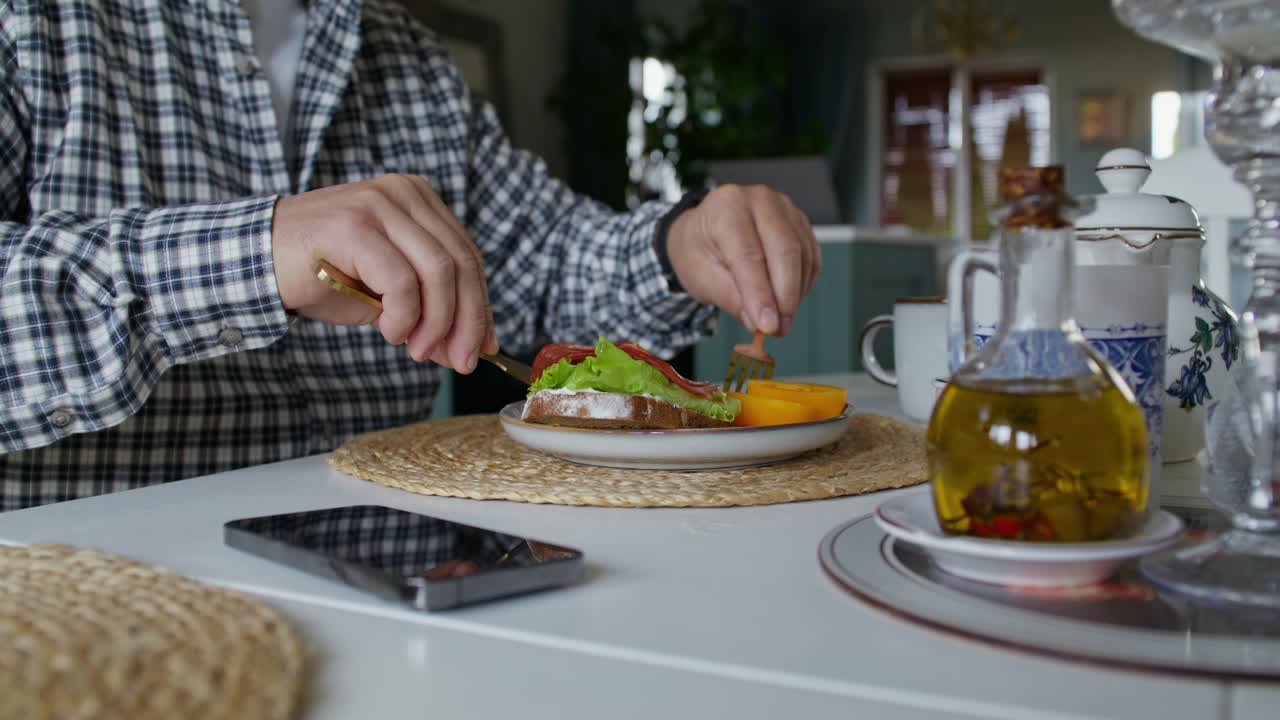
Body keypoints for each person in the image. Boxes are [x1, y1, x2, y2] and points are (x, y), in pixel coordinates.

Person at [0, 0, 820, 510]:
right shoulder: (35, 24)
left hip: (392, 569)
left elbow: (543, 260)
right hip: (78, 601)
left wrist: (677, 246)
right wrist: (250, 256)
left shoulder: (403, 53)